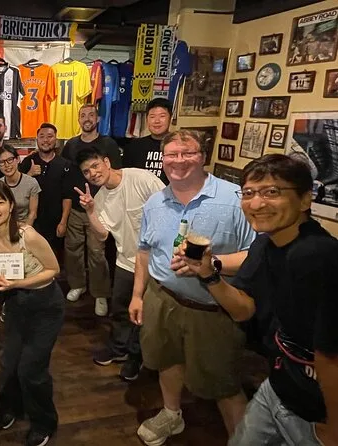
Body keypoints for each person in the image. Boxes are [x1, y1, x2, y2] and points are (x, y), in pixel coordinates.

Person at [180, 154, 338, 446]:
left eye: (272, 192)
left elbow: (330, 355)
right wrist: (208, 273)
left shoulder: (316, 255)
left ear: (305, 200)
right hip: (279, 386)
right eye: (249, 193)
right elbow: (243, 310)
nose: (256, 204)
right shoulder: (265, 244)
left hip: (317, 411)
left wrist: (334, 429)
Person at [129, 130, 256, 445]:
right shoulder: (155, 202)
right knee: (166, 360)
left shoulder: (234, 199)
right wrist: (137, 295)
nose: (179, 160)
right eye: (172, 154)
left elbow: (256, 255)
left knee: (223, 383)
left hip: (212, 308)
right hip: (161, 298)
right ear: (163, 159)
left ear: (203, 157)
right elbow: (144, 251)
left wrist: (212, 265)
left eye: (188, 153)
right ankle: (172, 414)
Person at [0, 179, 64, 446]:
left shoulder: (28, 235)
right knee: (9, 363)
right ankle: (11, 406)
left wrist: (17, 283)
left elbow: (53, 270)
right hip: (16, 304)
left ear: (11, 205)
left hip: (46, 304)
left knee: (31, 369)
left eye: (0, 202)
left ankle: (44, 421)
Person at [74, 146, 164, 380]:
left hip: (157, 262)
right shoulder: (100, 198)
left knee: (146, 313)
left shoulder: (141, 179)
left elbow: (168, 207)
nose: (93, 173)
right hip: (126, 261)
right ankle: (120, 348)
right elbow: (103, 234)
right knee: (121, 308)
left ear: (106, 161)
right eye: (86, 172)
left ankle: (137, 356)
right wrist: (90, 211)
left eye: (95, 166)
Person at [62, 103, 121, 316]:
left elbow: (117, 174)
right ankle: (77, 284)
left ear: (97, 119)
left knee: (97, 252)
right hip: (76, 208)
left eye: (91, 115)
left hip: (100, 209)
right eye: (83, 115)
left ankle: (100, 293)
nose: (87, 118)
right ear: (78, 120)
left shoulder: (108, 144)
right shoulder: (71, 144)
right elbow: (66, 174)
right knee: (73, 249)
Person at [19, 123, 71, 254]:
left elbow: (67, 196)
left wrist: (63, 222)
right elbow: (17, 188)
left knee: (56, 256)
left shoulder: (64, 164)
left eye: (49, 136)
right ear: (37, 139)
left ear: (56, 139)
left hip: (56, 222)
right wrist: (29, 174)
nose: (45, 140)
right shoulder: (28, 161)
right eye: (42, 136)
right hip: (32, 221)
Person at [121, 98, 171, 184]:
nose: (157, 121)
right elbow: (126, 177)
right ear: (147, 120)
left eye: (162, 116)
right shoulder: (134, 146)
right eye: (152, 117)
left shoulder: (178, 146)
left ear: (170, 118)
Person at [0, 146, 41, 226]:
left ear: (18, 159)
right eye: (2, 162)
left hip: (24, 227)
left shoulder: (31, 183)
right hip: (2, 226)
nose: (7, 165)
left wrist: (24, 231)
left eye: (10, 160)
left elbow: (33, 214)